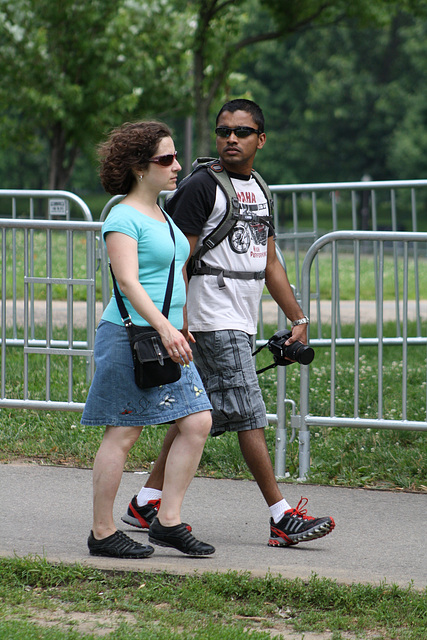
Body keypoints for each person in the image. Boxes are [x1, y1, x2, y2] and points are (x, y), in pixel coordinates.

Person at [122, 100, 335, 547]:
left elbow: (270, 261)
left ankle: (146, 503)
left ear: (261, 138)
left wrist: (297, 316)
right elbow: (175, 258)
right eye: (223, 132)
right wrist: (177, 322)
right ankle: (281, 516)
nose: (231, 139)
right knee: (249, 415)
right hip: (209, 320)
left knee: (192, 416)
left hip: (238, 319)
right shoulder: (202, 186)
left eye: (241, 131)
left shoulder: (258, 186)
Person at [81, 121, 215, 558]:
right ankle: (102, 533)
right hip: (128, 336)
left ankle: (168, 521)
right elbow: (129, 282)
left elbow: (176, 274)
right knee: (123, 432)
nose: (177, 166)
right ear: (139, 168)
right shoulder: (122, 216)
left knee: (196, 421)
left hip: (168, 333)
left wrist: (184, 323)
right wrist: (165, 327)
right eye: (166, 159)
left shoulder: (163, 214)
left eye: (176, 157)